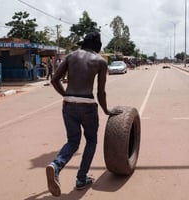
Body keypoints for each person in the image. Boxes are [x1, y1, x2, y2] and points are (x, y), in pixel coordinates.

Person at [46, 32, 122, 197]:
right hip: (87, 105)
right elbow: (101, 92)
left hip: (68, 105)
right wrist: (106, 110)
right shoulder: (100, 61)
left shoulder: (71, 56)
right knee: (91, 140)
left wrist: (66, 95)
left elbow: (54, 79)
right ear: (98, 46)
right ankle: (81, 178)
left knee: (73, 141)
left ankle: (56, 165)